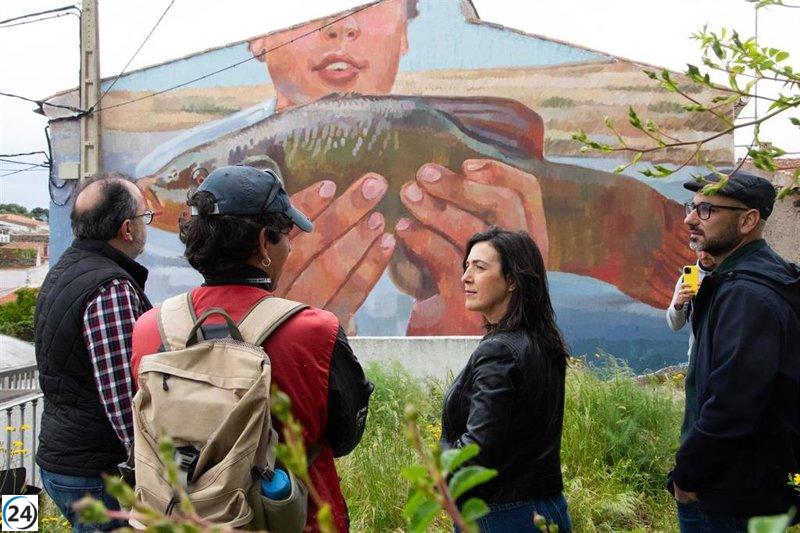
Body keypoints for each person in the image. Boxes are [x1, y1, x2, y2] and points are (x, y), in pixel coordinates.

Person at [131, 165, 373, 533]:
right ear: (264, 242)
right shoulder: (314, 330)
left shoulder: (150, 328)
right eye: (287, 235)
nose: (290, 246)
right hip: (294, 516)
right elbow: (345, 436)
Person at [669, 170, 800, 532]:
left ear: (747, 220)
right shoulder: (746, 279)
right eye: (692, 207)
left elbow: (733, 405)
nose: (690, 219)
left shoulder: (747, 295)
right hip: (740, 486)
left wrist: (687, 477)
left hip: (729, 495)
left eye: (706, 210)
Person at [34, 176, 154, 531]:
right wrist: (155, 471)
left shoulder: (64, 271)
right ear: (127, 229)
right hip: (94, 471)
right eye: (145, 217)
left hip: (66, 459)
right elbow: (122, 396)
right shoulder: (109, 287)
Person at [440, 227, 572, 532]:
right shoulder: (544, 342)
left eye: (480, 267)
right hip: (547, 506)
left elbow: (479, 446)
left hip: (500, 514)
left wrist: (440, 473)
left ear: (512, 280)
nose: (466, 277)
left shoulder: (500, 350)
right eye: (467, 266)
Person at [666, 250, 717, 349]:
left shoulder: (732, 274)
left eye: (708, 250)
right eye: (699, 250)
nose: (703, 256)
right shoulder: (686, 279)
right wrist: (678, 305)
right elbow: (675, 326)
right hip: (698, 351)